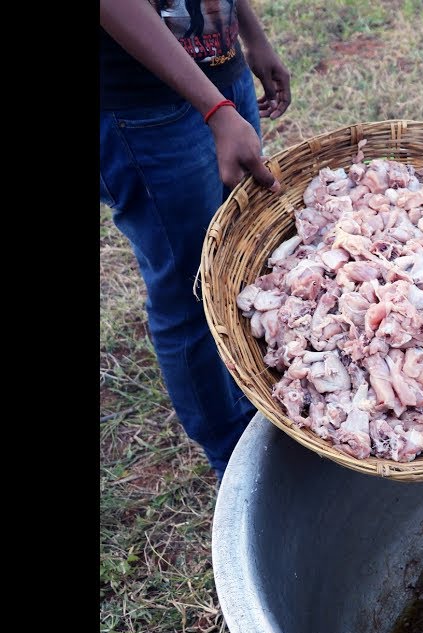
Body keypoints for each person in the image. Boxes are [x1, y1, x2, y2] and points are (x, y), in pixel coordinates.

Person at [100, 0, 291, 480]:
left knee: (241, 261)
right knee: (190, 291)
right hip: (142, 103)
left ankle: (260, 406)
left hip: (220, 75)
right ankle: (233, 457)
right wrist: (216, 109)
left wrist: (249, 36)